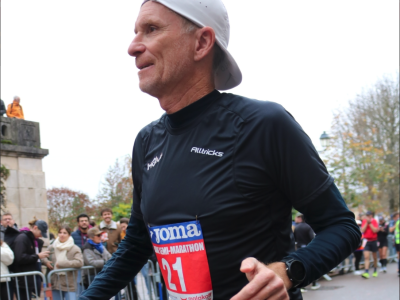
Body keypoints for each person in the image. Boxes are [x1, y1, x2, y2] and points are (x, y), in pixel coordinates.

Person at [79, 1, 360, 299]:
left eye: (151, 30)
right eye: (135, 32)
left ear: (201, 43)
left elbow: (341, 226)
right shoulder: (147, 141)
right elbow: (136, 244)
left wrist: (289, 270)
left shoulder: (262, 125)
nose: (133, 47)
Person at [11, 218, 50, 300]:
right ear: (35, 228)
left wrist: (42, 260)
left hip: (30, 279)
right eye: (40, 232)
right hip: (22, 280)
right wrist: (37, 256)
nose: (41, 235)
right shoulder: (22, 238)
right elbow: (20, 257)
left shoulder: (34, 241)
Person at [43, 226, 83, 300]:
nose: (62, 235)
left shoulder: (75, 248)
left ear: (69, 235)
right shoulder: (52, 247)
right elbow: (43, 256)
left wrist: (61, 264)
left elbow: (79, 262)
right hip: (55, 282)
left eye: (65, 233)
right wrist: (46, 262)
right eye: (60, 232)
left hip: (69, 283)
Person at [293, 215, 319, 291]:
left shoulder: (297, 227)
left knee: (301, 267)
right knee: (311, 266)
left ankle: (302, 286)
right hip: (308, 248)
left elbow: (294, 238)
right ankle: (314, 284)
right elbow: (312, 238)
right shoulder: (308, 227)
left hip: (299, 248)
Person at [361, 211, 379, 278]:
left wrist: (370, 223)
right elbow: (362, 230)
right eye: (367, 215)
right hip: (366, 241)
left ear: (371, 215)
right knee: (366, 257)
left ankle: (375, 270)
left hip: (374, 240)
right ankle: (366, 272)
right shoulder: (364, 221)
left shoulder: (374, 221)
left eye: (369, 215)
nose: (368, 217)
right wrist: (366, 223)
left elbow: (375, 230)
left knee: (374, 257)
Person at [389, 212, 399, 276]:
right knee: (398, 255)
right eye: (397, 216)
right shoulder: (393, 222)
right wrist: (396, 225)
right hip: (397, 241)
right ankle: (398, 268)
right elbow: (390, 230)